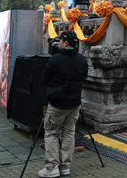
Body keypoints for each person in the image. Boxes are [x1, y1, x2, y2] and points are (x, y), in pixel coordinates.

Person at [39, 30, 88, 177]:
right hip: (75, 102)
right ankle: (65, 166)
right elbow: (84, 77)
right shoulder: (82, 59)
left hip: (58, 103)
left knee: (51, 132)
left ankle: (52, 167)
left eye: (59, 41)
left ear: (65, 43)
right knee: (69, 133)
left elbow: (45, 78)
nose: (58, 43)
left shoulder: (55, 59)